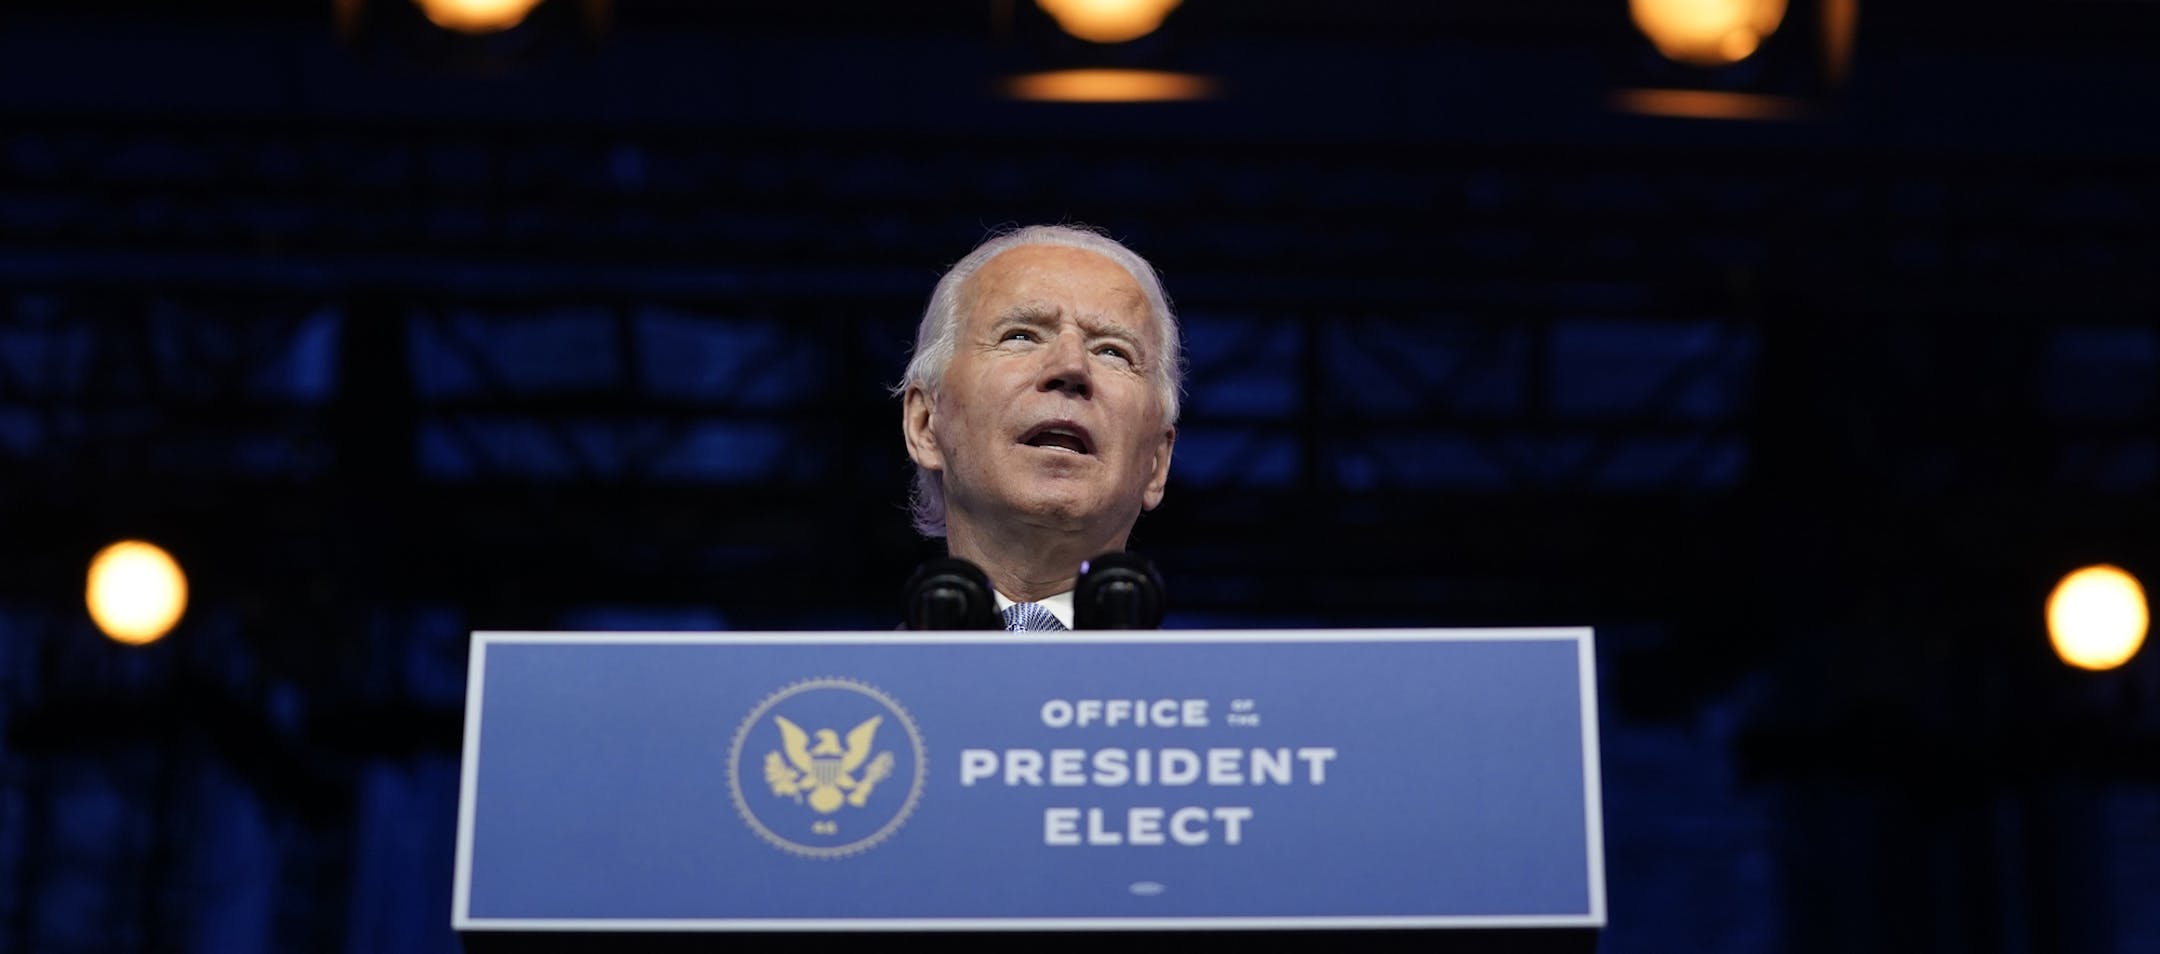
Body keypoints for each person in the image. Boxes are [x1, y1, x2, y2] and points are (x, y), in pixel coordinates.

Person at [897, 224, 1183, 630]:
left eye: (1112, 351)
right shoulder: (835, 690)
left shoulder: (1231, 694)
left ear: (1157, 461)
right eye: (1020, 336)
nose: (1071, 367)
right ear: (925, 424)